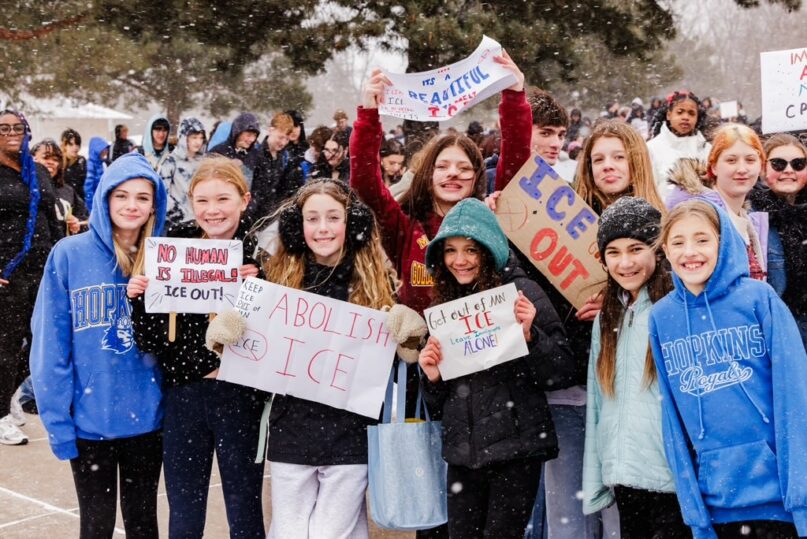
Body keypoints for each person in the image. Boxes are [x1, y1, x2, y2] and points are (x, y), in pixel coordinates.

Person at [208, 179, 403, 539]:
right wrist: (226, 335)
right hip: (291, 430)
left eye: (333, 217)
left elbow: (391, 360)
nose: (322, 228)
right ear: (298, 226)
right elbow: (251, 348)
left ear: (352, 223)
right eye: (312, 218)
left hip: (351, 434)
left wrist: (406, 337)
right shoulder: (276, 279)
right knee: (289, 531)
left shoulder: (375, 284)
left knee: (332, 532)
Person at [650, 199, 807, 539]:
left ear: (723, 243)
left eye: (702, 239)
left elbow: (794, 397)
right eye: (678, 242)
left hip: (781, 504)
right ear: (665, 250)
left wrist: (801, 499)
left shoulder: (759, 299)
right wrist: (695, 516)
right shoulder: (662, 318)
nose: (690, 252)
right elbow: (672, 422)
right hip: (716, 507)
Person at [127, 156, 267, 538]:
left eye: (223, 199)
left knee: (245, 508)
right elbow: (151, 341)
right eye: (202, 200)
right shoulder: (174, 250)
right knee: (185, 512)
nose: (212, 210)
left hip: (241, 398)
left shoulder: (262, 253)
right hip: (184, 396)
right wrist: (140, 300)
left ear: (244, 199)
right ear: (191, 202)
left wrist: (261, 288)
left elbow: (275, 340)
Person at [418, 198, 574, 538]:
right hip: (463, 456)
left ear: (489, 250)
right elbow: (438, 404)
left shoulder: (522, 292)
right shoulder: (445, 304)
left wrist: (531, 337)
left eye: (471, 250)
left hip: (515, 452)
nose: (460, 261)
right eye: (450, 251)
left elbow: (561, 371)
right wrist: (431, 378)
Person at [30, 152, 165, 537]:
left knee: (143, 524)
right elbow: (50, 345)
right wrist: (57, 419)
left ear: (154, 204)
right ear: (105, 198)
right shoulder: (69, 254)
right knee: (96, 526)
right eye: (121, 195)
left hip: (148, 421)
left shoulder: (165, 259)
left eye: (142, 197)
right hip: (90, 422)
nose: (131, 205)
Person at [581, 197, 688, 537]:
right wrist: (597, 475)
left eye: (636, 249)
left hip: (671, 477)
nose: (625, 262)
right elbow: (599, 402)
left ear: (657, 250)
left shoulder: (676, 311)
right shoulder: (607, 317)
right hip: (625, 473)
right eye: (613, 252)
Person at [0, 109, 61, 445]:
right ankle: (0, 415)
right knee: (7, 345)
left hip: (42, 270)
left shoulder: (37, 171)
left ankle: (7, 392)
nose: (12, 133)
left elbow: (51, 219)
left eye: (17, 128)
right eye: (4, 128)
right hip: (7, 274)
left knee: (41, 342)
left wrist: (61, 259)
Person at [666, 124, 768, 282]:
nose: (742, 169)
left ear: (760, 165)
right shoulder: (695, 213)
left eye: (750, 160)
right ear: (713, 166)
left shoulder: (748, 217)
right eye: (731, 160)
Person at [749, 134, 807, 345]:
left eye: (798, 164)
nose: (789, 170)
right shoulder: (751, 217)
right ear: (763, 169)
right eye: (779, 164)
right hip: (778, 329)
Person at [646, 90, 711, 200]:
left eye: (691, 113)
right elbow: (647, 191)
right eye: (680, 112)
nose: (686, 117)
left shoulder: (707, 149)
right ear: (669, 115)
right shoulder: (651, 148)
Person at [159, 117, 207, 226]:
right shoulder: (171, 161)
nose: (198, 142)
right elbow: (161, 191)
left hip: (199, 221)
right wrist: (176, 212)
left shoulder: (204, 162)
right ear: (184, 138)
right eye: (194, 137)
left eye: (201, 138)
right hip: (176, 222)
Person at [33, 138, 87, 235]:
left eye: (55, 159)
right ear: (32, 159)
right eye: (45, 157)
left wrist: (77, 224)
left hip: (62, 243)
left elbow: (84, 218)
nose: (51, 162)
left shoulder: (67, 191)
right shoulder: (22, 189)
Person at [208, 112, 262, 188]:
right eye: (248, 135)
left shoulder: (256, 155)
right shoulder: (217, 151)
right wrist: (226, 166)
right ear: (237, 133)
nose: (252, 139)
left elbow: (259, 184)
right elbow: (205, 177)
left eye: (255, 136)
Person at [83, 136, 109, 212]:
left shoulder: (102, 163)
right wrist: (91, 208)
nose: (106, 151)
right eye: (103, 150)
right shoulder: (90, 165)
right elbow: (88, 188)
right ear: (96, 151)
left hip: (101, 200)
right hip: (95, 203)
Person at [61, 128, 86, 201]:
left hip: (79, 201)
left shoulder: (81, 161)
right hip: (63, 201)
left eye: (77, 144)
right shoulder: (58, 161)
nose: (75, 147)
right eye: (71, 144)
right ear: (64, 145)